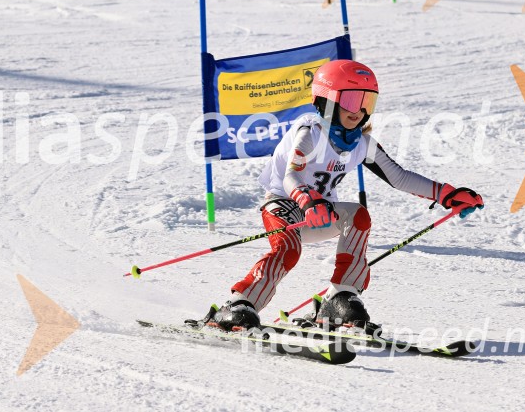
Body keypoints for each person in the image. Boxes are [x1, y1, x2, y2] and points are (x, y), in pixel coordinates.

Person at [203, 60, 485, 331]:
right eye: (351, 100)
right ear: (326, 101)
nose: (359, 111)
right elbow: (292, 176)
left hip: (320, 211)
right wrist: (307, 199)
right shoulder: (310, 133)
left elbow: (399, 177)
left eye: (367, 102)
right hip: (284, 204)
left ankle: (339, 297)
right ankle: (240, 304)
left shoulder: (361, 143)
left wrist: (448, 194)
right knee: (288, 251)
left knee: (358, 216)